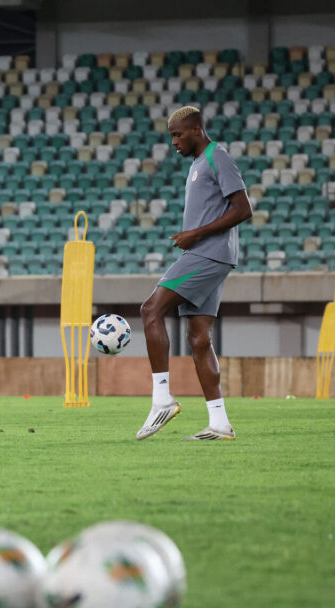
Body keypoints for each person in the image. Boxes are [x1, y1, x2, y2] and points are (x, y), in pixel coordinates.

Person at [136, 106, 252, 441]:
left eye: (178, 134)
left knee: (150, 310)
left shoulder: (218, 157)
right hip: (210, 254)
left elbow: (244, 208)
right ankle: (219, 423)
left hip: (207, 253)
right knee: (200, 340)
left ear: (197, 130)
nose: (173, 142)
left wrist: (196, 234)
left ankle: (162, 399)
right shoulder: (198, 164)